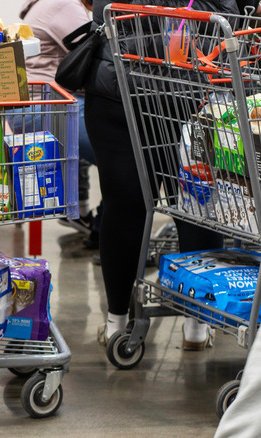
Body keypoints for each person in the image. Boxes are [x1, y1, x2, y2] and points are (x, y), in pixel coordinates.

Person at [85, 0, 239, 349]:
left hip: (119, 87)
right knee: (197, 206)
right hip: (187, 89)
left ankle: (116, 323)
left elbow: (103, 10)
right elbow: (225, 15)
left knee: (125, 206)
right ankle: (197, 326)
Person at [15, 0, 102, 247]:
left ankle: (90, 218)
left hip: (31, 103)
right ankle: (106, 231)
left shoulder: (45, 2)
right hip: (46, 105)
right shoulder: (65, 5)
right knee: (123, 158)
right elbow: (95, 55)